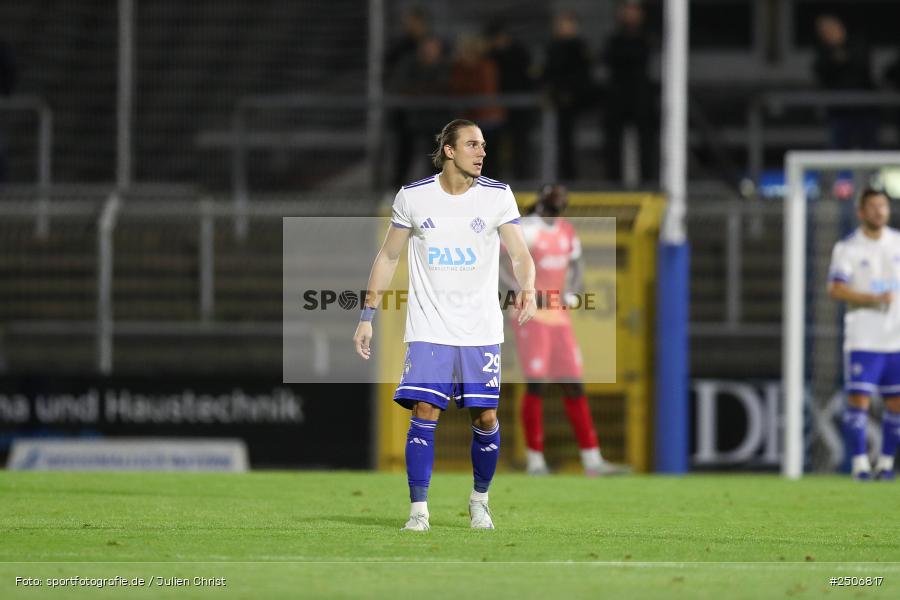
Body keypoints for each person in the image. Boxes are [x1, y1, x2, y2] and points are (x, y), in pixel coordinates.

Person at [353, 119, 537, 530]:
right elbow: (387, 257)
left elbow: (519, 252)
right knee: (424, 409)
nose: (481, 151)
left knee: (485, 418)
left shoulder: (497, 196)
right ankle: (418, 511)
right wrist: (367, 316)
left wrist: (528, 284)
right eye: (472, 144)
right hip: (429, 329)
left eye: (484, 145)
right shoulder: (414, 197)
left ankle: (479, 501)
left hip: (481, 330)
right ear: (449, 151)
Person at [505, 184, 625, 476]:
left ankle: (592, 460)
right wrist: (524, 292)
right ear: (545, 200)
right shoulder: (527, 229)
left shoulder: (566, 231)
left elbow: (577, 265)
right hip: (530, 315)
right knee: (536, 383)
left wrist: (573, 289)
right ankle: (535, 460)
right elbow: (501, 264)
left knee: (573, 383)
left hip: (558, 316)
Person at [828, 188, 900, 480]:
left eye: (883, 206)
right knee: (859, 400)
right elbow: (835, 289)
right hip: (863, 339)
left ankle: (885, 464)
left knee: (896, 403)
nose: (879, 212)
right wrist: (873, 298)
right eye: (872, 207)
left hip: (895, 339)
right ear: (861, 212)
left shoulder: (897, 242)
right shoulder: (848, 248)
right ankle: (859, 465)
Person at [602, 1, 656, 185]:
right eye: (627, 10)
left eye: (634, 10)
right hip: (618, 96)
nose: (630, 14)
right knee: (613, 141)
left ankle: (648, 181)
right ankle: (613, 183)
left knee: (646, 140)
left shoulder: (647, 38)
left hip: (640, 96)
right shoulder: (614, 40)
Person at [387, 36, 451, 184]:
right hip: (410, 120)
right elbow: (400, 87)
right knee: (403, 159)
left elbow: (445, 88)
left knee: (436, 161)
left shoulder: (445, 67)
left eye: (432, 48)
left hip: (436, 122)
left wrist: (423, 91)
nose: (428, 52)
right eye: (426, 48)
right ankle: (398, 191)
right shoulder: (409, 66)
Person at [812, 14, 879, 150]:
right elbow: (821, 70)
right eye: (823, 32)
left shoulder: (857, 43)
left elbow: (861, 66)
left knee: (869, 148)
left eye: (829, 29)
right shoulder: (823, 51)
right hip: (839, 110)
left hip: (864, 107)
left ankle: (870, 171)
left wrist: (843, 59)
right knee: (837, 148)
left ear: (839, 27)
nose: (826, 34)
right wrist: (837, 58)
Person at [543, 11, 593, 181]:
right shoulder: (552, 47)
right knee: (562, 141)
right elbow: (548, 73)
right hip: (559, 101)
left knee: (573, 140)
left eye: (566, 24)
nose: (562, 28)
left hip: (578, 101)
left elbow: (583, 75)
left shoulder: (580, 47)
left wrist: (572, 93)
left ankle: (576, 176)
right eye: (560, 25)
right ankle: (566, 175)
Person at [486, 21, 534, 180]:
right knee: (491, 149)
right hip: (495, 109)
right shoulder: (490, 56)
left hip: (519, 110)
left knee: (520, 147)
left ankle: (523, 181)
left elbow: (528, 79)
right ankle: (491, 183)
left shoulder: (519, 53)